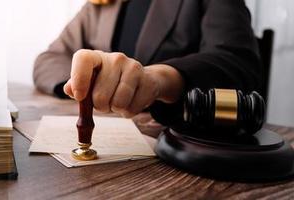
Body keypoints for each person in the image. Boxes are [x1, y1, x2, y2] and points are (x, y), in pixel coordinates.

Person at [33, 0, 261, 124]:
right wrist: (85, 83)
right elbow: (48, 59)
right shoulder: (99, 5)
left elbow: (238, 62)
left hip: (173, 145)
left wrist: (160, 79)